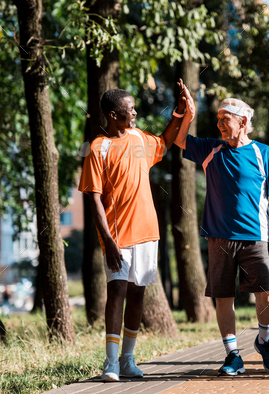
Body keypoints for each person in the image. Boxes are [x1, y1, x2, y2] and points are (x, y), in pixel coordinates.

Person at [78, 80, 195, 382]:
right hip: (116, 237)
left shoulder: (140, 139)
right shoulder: (97, 148)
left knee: (138, 293)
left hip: (147, 231)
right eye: (130, 110)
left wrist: (178, 114)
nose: (135, 113)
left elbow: (165, 141)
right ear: (114, 115)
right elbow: (93, 198)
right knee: (116, 291)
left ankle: (129, 358)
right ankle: (111, 362)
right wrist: (108, 240)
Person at [174, 97, 269, 376]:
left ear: (243, 122)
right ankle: (233, 355)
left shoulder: (263, 153)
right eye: (218, 119)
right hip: (219, 238)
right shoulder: (211, 149)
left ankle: (264, 340)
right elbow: (178, 139)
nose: (220, 124)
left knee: (268, 296)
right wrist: (188, 114)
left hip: (256, 236)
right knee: (223, 296)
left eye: (226, 119)